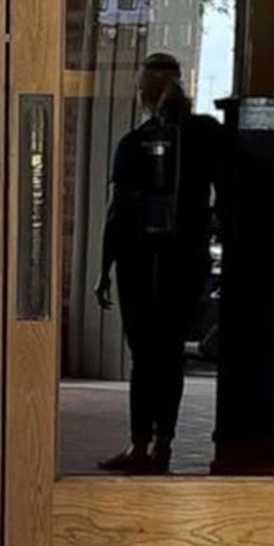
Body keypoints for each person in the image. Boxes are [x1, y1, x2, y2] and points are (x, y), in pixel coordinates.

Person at [94, 53, 222, 473]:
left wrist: (103, 271)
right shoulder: (205, 135)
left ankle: (141, 443)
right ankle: (161, 444)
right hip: (185, 259)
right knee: (167, 356)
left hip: (141, 261)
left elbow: (117, 212)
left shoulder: (134, 144)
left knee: (146, 357)